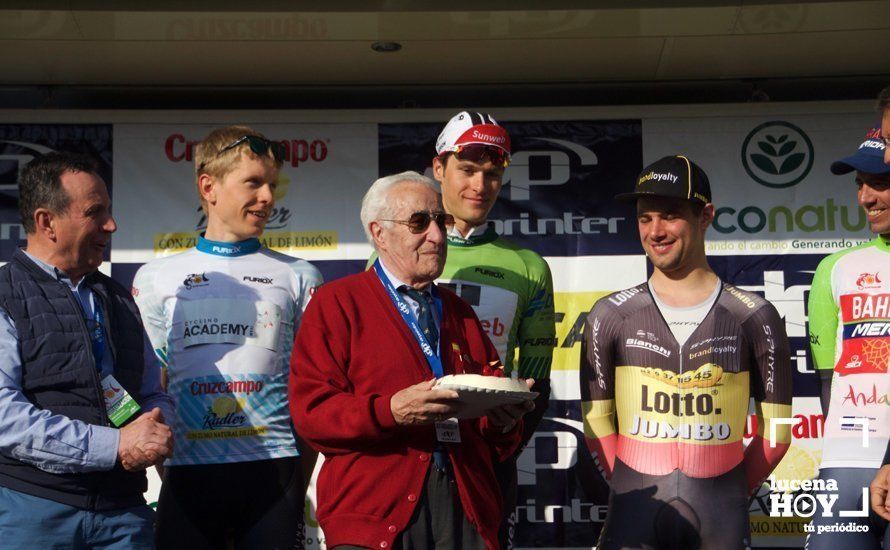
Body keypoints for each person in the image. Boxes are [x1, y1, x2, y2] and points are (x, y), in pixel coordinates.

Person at [290, 171, 534, 549]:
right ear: (379, 233)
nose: (437, 236)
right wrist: (390, 411)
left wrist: (503, 421)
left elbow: (492, 433)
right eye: (419, 222)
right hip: (373, 512)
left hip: (465, 507)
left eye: (442, 221)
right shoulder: (336, 303)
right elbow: (313, 415)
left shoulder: (460, 312)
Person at [580, 155, 792, 550]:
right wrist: (627, 488)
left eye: (670, 215)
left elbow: (777, 433)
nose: (655, 231)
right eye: (645, 218)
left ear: (705, 215)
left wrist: (729, 492)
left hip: (720, 513)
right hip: (634, 508)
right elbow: (596, 423)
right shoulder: (610, 315)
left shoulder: (754, 315)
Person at [132, 126, 323, 549]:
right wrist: (174, 467)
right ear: (209, 186)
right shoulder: (157, 278)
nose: (268, 197)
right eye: (253, 183)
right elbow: (153, 386)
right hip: (188, 474)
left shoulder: (300, 275)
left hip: (274, 472)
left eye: (272, 185)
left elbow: (311, 387)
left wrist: (298, 477)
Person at [0, 152, 174, 548]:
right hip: (34, 512)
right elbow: (4, 416)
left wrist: (157, 429)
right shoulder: (5, 294)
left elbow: (151, 392)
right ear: (47, 222)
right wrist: (114, 446)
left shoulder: (118, 298)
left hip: (124, 514)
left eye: (109, 211)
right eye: (95, 212)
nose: (111, 225)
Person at [809, 123, 890, 548]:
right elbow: (827, 379)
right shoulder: (834, 268)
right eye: (861, 185)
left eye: (879, 183)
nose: (865, 198)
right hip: (847, 463)